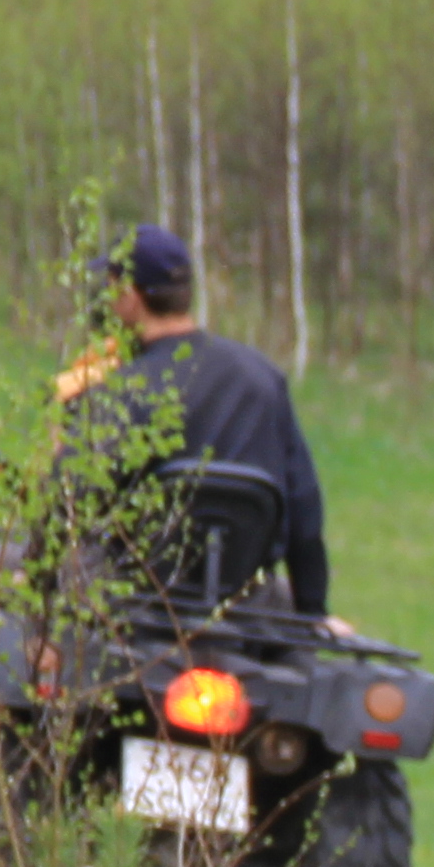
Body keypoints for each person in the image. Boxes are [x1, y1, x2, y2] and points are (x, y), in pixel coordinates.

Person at [56, 223, 333, 616]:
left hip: (135, 606)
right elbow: (304, 513)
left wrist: (33, 585)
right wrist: (313, 614)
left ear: (129, 295)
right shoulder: (262, 378)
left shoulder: (122, 390)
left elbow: (64, 506)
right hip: (244, 605)